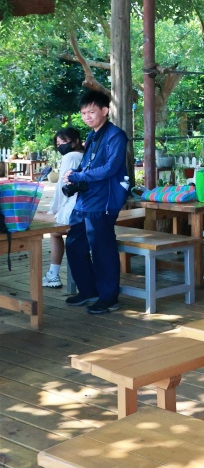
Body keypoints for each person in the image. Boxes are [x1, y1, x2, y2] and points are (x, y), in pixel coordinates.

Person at [63, 91, 130, 314]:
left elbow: (111, 168)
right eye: (83, 113)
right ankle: (88, 290)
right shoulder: (92, 135)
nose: (87, 117)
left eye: (91, 112)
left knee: (102, 249)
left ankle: (109, 297)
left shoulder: (115, 135)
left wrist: (80, 176)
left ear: (105, 111)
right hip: (85, 201)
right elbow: (88, 165)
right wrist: (75, 173)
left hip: (103, 201)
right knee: (74, 245)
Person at [43, 127, 85, 288]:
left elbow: (62, 186)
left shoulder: (71, 156)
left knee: (34, 217)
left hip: (72, 208)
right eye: (58, 143)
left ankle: (53, 274)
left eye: (64, 142)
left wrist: (53, 210)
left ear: (74, 141)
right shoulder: (83, 155)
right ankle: (53, 274)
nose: (61, 146)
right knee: (54, 231)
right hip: (81, 206)